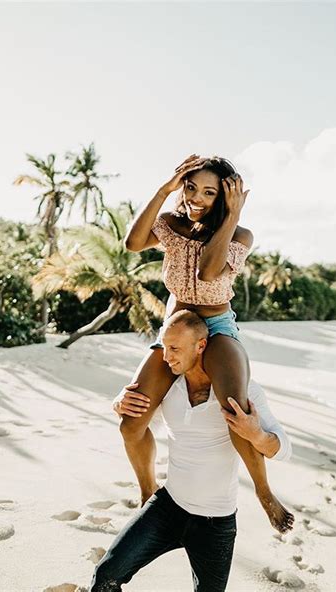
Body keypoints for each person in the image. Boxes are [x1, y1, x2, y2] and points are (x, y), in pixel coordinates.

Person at [118, 154, 293, 533]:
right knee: (131, 421)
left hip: (216, 326)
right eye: (191, 187)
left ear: (225, 198)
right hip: (177, 325)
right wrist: (165, 190)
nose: (197, 197)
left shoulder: (240, 235)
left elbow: (208, 270)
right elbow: (133, 243)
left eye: (209, 192)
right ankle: (148, 490)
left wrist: (230, 217)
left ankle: (264, 492)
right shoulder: (170, 224)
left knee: (237, 411)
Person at [90, 310, 292, 592]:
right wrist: (119, 403)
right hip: (166, 508)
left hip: (216, 524)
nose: (165, 357)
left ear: (201, 346)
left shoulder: (243, 391)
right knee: (105, 578)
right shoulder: (170, 388)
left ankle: (264, 494)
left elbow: (284, 449)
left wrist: (256, 434)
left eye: (174, 349)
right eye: (164, 347)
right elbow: (139, 426)